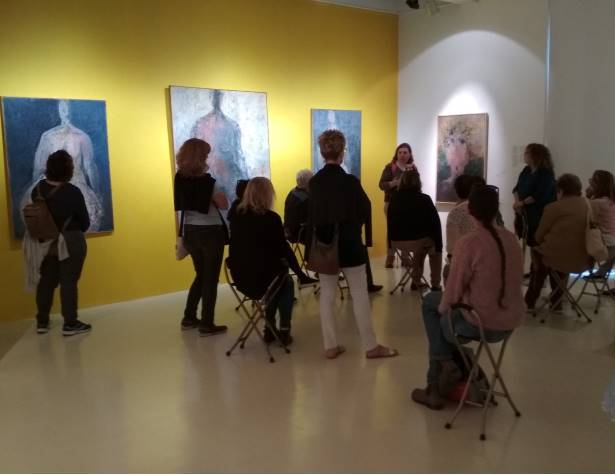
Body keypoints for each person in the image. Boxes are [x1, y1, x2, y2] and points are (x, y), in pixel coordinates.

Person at [411, 185, 524, 410]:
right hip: (509, 322)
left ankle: (439, 374)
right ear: (496, 209)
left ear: (470, 210)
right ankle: (448, 370)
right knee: (439, 312)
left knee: (432, 306)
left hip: (480, 322)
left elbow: (452, 293)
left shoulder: (469, 243)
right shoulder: (512, 240)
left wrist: (443, 312)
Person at [309, 129, 398, 359]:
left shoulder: (315, 182)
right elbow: (365, 207)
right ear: (342, 153)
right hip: (350, 243)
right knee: (359, 295)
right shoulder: (349, 181)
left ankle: (330, 346)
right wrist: (356, 228)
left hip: (325, 245)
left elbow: (313, 214)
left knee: (327, 296)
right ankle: (370, 346)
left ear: (322, 152)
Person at [228, 178, 296, 345]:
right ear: (267, 195)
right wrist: (300, 273)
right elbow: (283, 249)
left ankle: (269, 328)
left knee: (275, 281)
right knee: (285, 282)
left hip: (240, 277)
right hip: (263, 279)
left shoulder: (236, 217)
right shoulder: (272, 218)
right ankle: (284, 330)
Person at [31, 150, 92, 336]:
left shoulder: (38, 190)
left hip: (47, 241)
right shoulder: (72, 192)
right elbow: (85, 222)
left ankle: (42, 321)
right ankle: (70, 323)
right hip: (71, 239)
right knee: (69, 281)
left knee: (47, 280)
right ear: (68, 169)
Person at [21, 100, 104, 232]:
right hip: (56, 192)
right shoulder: (48, 136)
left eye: (68, 107)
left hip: (76, 185)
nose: (66, 111)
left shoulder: (82, 137)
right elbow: (38, 168)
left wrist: (96, 191)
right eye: (62, 107)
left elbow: (90, 166)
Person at [173, 138, 229, 335]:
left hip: (190, 232)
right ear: (199, 157)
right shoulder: (207, 182)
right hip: (210, 233)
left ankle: (189, 317)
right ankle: (206, 323)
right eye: (205, 154)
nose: (207, 158)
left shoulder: (179, 178)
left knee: (201, 274)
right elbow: (223, 204)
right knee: (210, 279)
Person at [524, 174, 591, 311]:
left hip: (555, 258)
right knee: (562, 256)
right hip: (583, 259)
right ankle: (557, 301)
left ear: (560, 190)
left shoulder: (553, 208)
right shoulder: (588, 205)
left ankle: (530, 300)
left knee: (540, 256)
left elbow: (538, 236)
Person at [388, 169, 443, 290]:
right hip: (418, 243)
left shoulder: (394, 199)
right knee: (433, 248)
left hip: (397, 242)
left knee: (422, 247)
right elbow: (435, 224)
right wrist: (439, 245)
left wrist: (390, 245)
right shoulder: (424, 199)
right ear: (418, 183)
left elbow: (389, 223)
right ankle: (435, 284)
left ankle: (416, 281)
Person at [512, 143, 557, 251]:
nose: (524, 155)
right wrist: (517, 203)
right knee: (526, 241)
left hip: (538, 215)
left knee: (537, 244)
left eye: (527, 152)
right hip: (523, 214)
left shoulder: (546, 174)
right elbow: (516, 188)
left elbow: (539, 195)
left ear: (535, 155)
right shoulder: (526, 170)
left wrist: (521, 204)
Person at [379, 143, 417, 268]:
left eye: (405, 152)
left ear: (410, 154)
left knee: (407, 229)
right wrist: (394, 183)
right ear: (396, 154)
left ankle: (405, 257)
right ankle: (390, 256)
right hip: (391, 203)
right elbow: (381, 185)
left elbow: (417, 185)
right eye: (400, 152)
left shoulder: (413, 168)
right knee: (392, 229)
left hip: (408, 204)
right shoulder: (390, 167)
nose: (402, 155)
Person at [444, 175, 486, 282]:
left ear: (457, 191)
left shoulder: (457, 212)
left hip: (466, 263)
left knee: (447, 270)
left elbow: (452, 248)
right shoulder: (485, 208)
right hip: (486, 260)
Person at [586, 170, 615, 279]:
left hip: (602, 247)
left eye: (592, 181)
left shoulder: (596, 203)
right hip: (612, 246)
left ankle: (589, 270)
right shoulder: (612, 202)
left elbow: (587, 220)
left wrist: (588, 197)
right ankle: (601, 273)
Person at [284, 169, 313, 244]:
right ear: (309, 182)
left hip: (288, 231)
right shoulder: (306, 199)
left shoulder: (291, 192)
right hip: (300, 233)